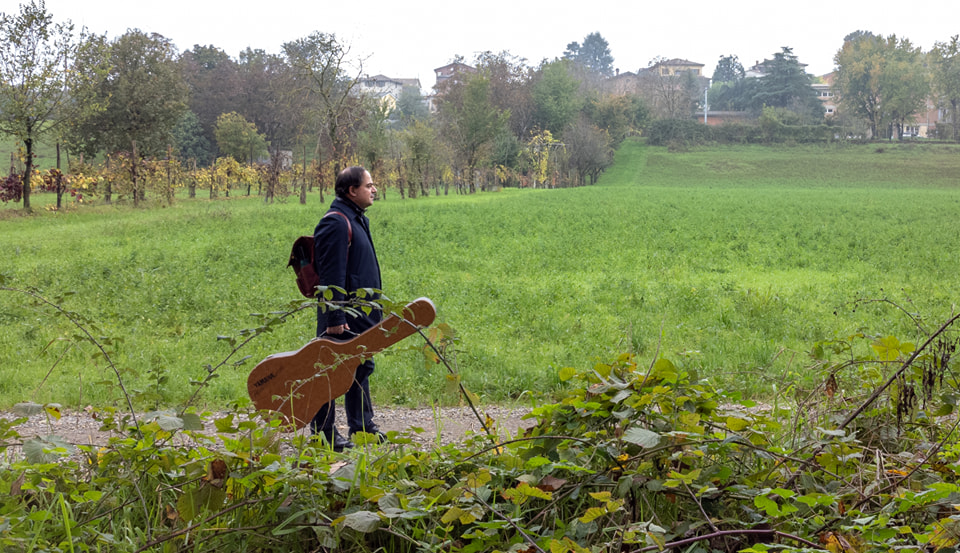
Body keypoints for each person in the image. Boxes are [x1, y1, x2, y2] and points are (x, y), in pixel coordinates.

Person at [310, 166, 384, 451]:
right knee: (331, 371)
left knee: (361, 366)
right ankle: (324, 433)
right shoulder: (337, 223)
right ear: (352, 191)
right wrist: (335, 317)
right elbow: (331, 276)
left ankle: (362, 428)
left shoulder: (355, 218)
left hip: (360, 313)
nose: (374, 189)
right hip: (345, 316)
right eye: (369, 185)